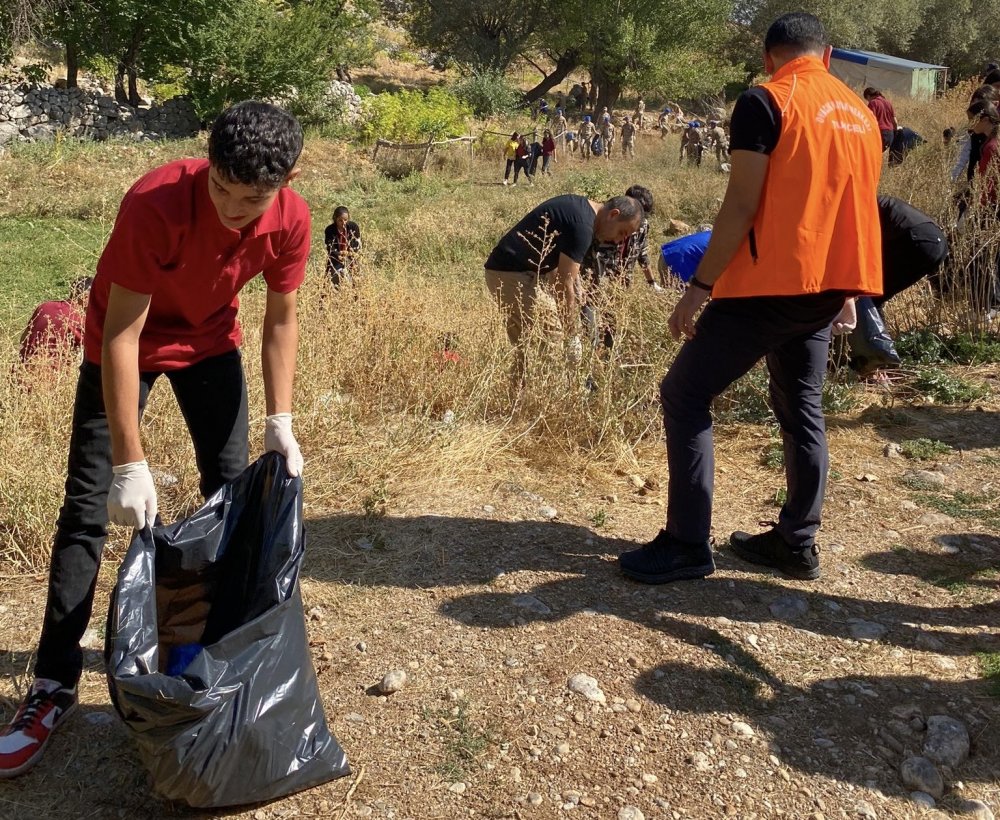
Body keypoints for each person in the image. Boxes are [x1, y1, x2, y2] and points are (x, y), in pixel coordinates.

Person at [0, 101, 310, 778]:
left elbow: (279, 320)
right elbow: (121, 334)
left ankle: (220, 663)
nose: (231, 208)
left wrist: (280, 419)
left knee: (230, 499)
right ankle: (52, 686)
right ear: (208, 164)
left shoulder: (292, 219)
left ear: (288, 179)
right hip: (124, 345)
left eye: (250, 198)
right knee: (85, 511)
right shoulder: (156, 202)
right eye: (220, 188)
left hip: (210, 347)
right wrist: (129, 462)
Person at [618, 13, 882, 585]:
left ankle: (687, 543)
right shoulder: (861, 112)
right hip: (829, 285)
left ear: (769, 58)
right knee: (801, 406)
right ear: (828, 54)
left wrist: (700, 287)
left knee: (684, 393)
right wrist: (850, 292)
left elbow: (741, 206)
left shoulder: (767, 100)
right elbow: (855, 201)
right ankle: (795, 542)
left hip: (771, 284)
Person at [483, 195, 643, 382]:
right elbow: (563, 284)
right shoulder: (583, 226)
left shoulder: (581, 209)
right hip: (511, 275)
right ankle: (549, 395)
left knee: (528, 345)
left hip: (509, 273)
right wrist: (572, 334)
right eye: (622, 233)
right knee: (553, 338)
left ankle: (519, 398)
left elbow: (562, 267)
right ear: (613, 215)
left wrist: (577, 286)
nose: (618, 241)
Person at [846, 196, 949, 376]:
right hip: (936, 243)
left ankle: (876, 361)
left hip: (913, 239)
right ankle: (878, 357)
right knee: (874, 296)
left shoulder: (850, 208)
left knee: (867, 292)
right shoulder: (865, 199)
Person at [581, 185, 660, 349]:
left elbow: (642, 253)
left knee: (614, 323)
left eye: (643, 215)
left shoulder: (642, 226)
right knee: (590, 327)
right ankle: (589, 362)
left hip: (620, 285)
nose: (639, 220)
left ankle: (609, 356)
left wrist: (652, 282)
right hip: (594, 285)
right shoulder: (605, 226)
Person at [18, 277, 92, 362]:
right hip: (54, 372)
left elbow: (24, 339)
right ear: (85, 298)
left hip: (23, 368)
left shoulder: (44, 306)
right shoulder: (80, 320)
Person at [324, 206, 362, 288]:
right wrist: (339, 255)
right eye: (340, 220)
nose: (343, 222)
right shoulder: (329, 230)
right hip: (336, 258)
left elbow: (356, 243)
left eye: (345, 220)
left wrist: (349, 253)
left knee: (356, 280)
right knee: (331, 282)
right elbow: (330, 247)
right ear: (335, 219)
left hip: (351, 257)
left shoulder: (353, 227)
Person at [863, 87, 898, 152]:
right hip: (890, 135)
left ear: (868, 96)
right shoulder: (888, 103)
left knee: (870, 153)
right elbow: (895, 121)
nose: (868, 101)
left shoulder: (873, 103)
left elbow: (871, 120)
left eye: (867, 99)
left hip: (880, 134)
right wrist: (895, 132)